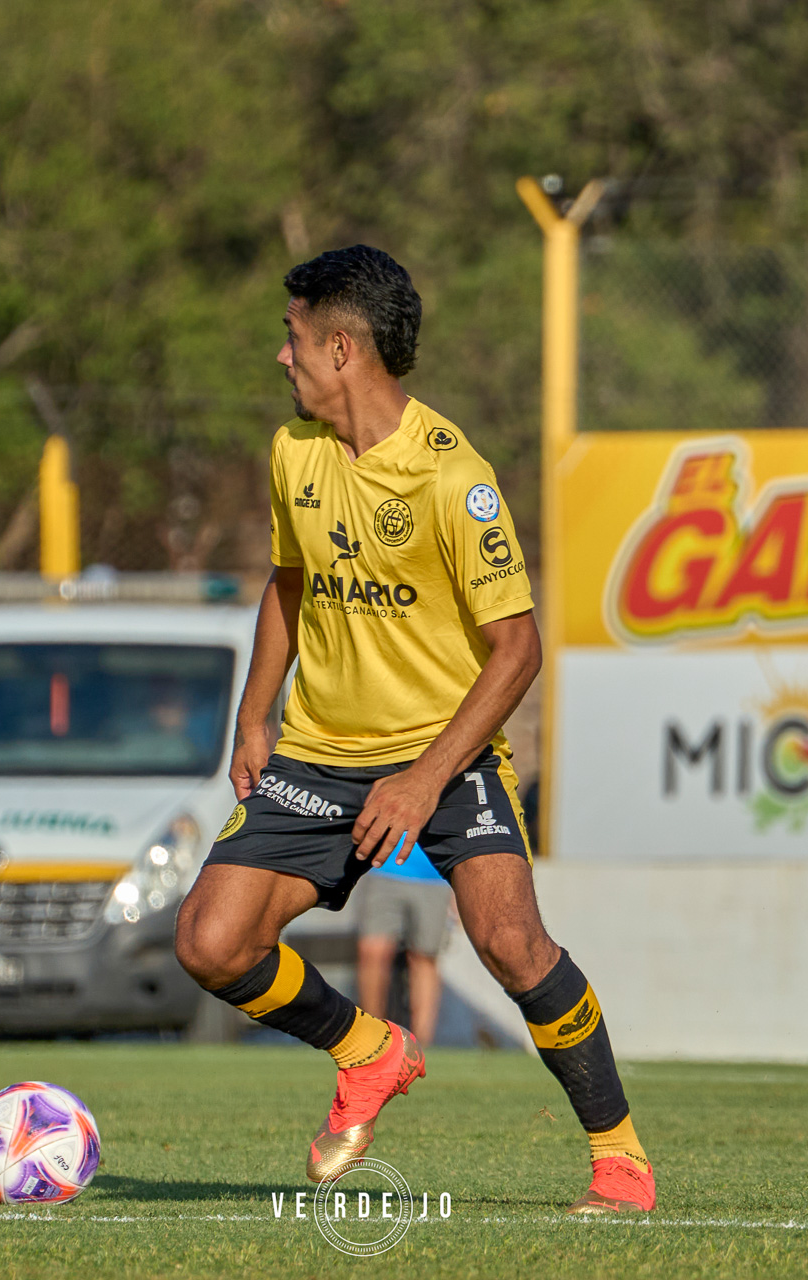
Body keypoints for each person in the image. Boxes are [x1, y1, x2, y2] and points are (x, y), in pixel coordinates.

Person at [172, 245, 654, 1214]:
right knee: (210, 941)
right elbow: (289, 583)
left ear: (342, 348)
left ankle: (620, 1158)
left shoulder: (453, 478)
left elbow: (516, 649)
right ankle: (368, 1048)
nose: (283, 358)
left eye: (294, 338)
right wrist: (253, 713)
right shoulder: (293, 455)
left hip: (445, 749)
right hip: (317, 751)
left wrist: (425, 778)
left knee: (512, 944)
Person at [354, 842, 451, 1048]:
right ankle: (373, 1041)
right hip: (382, 867)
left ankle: (421, 1046)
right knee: (374, 950)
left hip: (435, 874)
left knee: (424, 956)